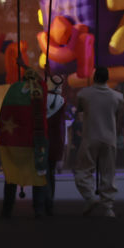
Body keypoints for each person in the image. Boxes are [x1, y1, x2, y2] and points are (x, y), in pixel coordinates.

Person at [74, 66, 124, 218]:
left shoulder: (83, 94)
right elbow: (119, 115)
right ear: (107, 78)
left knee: (83, 170)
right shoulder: (117, 96)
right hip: (109, 138)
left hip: (90, 136)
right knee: (108, 172)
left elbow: (80, 110)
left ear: (94, 77)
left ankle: (89, 196)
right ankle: (108, 207)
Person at [0, 68, 49, 218]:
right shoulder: (40, 89)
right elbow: (42, 81)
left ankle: (7, 209)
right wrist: (26, 66)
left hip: (13, 143)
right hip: (34, 141)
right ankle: (39, 209)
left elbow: (4, 113)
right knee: (38, 175)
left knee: (11, 175)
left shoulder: (14, 88)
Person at [45, 82, 66, 215]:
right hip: (55, 140)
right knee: (51, 173)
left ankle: (43, 201)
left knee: (44, 172)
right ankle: (50, 201)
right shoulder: (62, 101)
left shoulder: (42, 99)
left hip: (42, 138)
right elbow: (61, 127)